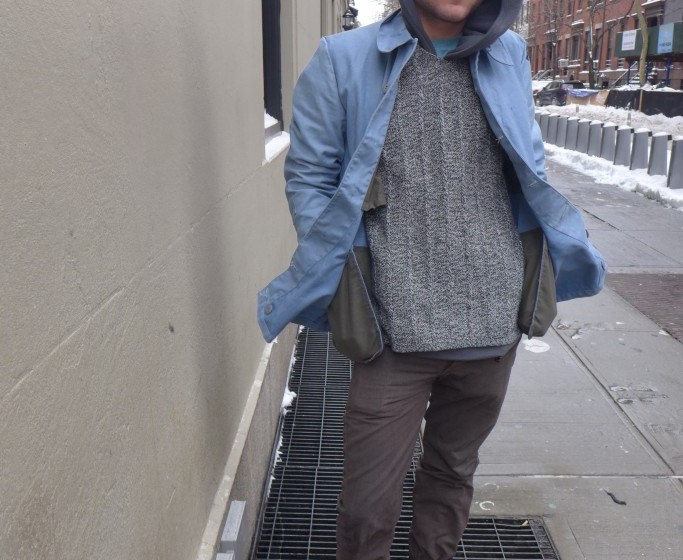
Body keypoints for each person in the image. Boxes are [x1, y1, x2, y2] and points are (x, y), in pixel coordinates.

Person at [257, 1, 606, 559]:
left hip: (493, 321)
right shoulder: (343, 57)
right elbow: (310, 175)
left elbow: (528, 165)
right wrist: (344, 271)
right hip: (391, 328)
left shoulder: (509, 53)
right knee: (366, 505)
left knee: (452, 476)